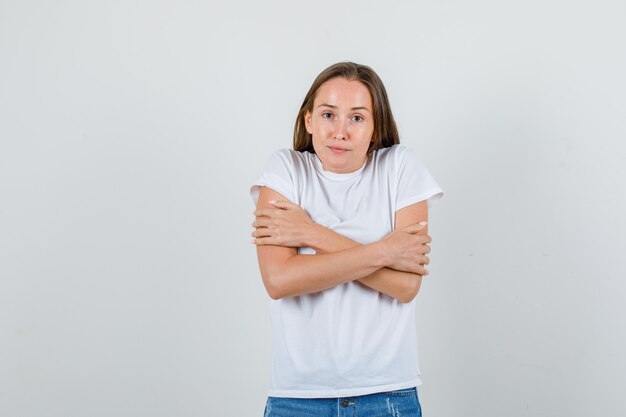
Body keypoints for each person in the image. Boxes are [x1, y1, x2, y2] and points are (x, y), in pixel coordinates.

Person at [250, 61, 443, 417]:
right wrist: (385, 251)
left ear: (375, 126)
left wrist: (310, 233)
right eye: (328, 114)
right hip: (296, 399)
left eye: (357, 117)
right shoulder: (285, 171)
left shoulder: (400, 167)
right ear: (308, 120)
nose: (340, 131)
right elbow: (279, 280)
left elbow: (405, 286)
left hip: (387, 394)